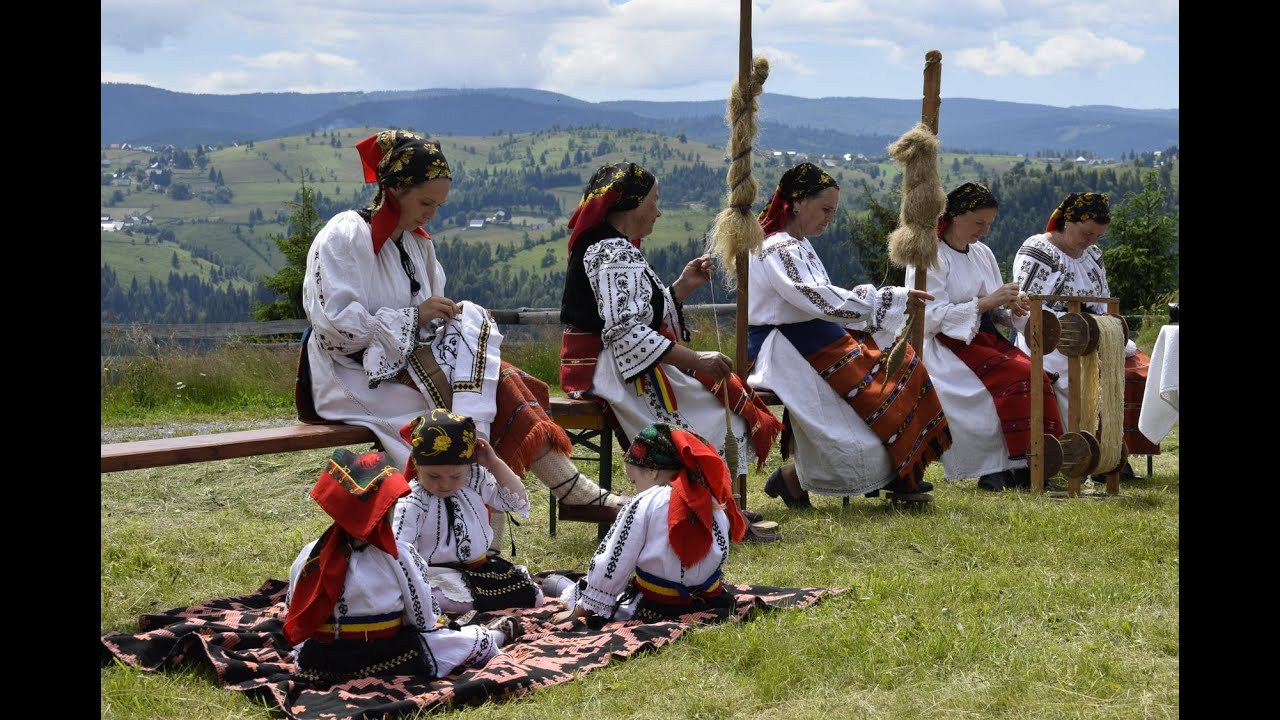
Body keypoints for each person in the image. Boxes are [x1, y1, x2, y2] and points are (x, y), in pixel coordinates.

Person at [301, 130, 629, 536]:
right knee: (456, 414)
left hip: (411, 364)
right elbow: (336, 329)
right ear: (394, 189)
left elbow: (426, 316)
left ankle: (507, 524)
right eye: (425, 203)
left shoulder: (417, 245)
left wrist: (452, 319)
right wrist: (414, 316)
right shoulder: (346, 234)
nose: (431, 215)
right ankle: (506, 523)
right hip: (351, 374)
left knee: (497, 379)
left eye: (438, 205)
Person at [558, 162, 783, 483]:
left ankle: (717, 509)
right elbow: (626, 332)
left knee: (722, 408)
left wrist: (683, 286)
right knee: (719, 418)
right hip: (610, 371)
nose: (658, 212)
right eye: (654, 200)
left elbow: (636, 315)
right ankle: (711, 510)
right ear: (633, 203)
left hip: (606, 364)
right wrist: (697, 360)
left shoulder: (604, 244)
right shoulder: (613, 250)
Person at [745, 162, 951, 507]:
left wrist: (886, 300)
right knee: (876, 389)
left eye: (834, 211)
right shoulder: (777, 248)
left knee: (903, 370)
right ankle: (799, 478)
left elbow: (821, 297)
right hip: (785, 347)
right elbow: (815, 297)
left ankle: (903, 470)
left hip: (812, 338)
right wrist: (885, 299)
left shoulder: (797, 244)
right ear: (797, 203)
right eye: (826, 209)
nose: (830, 218)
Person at [284, 447, 521, 685]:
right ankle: (494, 635)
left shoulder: (311, 554)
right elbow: (423, 620)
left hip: (321, 661)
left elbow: (295, 608)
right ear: (384, 511)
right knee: (456, 641)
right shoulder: (397, 555)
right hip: (389, 655)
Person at [904, 183, 1064, 491]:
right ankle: (995, 469)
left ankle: (1031, 465)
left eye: (989, 224)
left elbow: (993, 310)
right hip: (944, 346)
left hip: (982, 340)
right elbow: (929, 318)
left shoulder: (982, 253)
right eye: (979, 223)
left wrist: (1014, 308)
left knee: (1036, 375)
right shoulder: (929, 255)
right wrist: (988, 302)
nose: (985, 231)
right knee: (1017, 378)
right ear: (955, 215)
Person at [1010, 192, 1156, 478]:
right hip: (1047, 341)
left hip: (1090, 334)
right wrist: (1077, 328)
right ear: (1067, 222)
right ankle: (1081, 454)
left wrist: (1103, 330)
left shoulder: (1093, 255)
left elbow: (1102, 301)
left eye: (1097, 236)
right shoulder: (1038, 250)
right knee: (1082, 373)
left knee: (1129, 368)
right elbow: (1024, 309)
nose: (1091, 241)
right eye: (1086, 233)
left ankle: (1109, 453)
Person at [550, 423, 745, 624]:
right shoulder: (711, 500)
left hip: (657, 607)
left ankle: (558, 586)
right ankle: (560, 585)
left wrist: (581, 611)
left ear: (652, 471)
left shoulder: (646, 502)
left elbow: (613, 561)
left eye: (634, 481)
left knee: (587, 592)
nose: (635, 489)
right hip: (709, 602)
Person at [392, 409, 545, 614]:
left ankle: (551, 584)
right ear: (418, 467)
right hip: (438, 575)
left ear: (467, 466)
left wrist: (495, 464)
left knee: (533, 596)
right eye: (434, 476)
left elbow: (515, 502)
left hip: (481, 570)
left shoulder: (474, 480)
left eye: (455, 476)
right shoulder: (413, 500)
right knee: (436, 598)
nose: (445, 484)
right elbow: (400, 549)